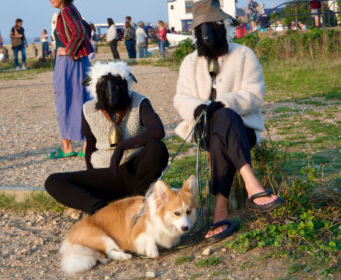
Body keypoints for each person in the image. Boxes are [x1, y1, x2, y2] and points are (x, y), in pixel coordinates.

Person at [173, 0, 283, 243]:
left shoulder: (244, 55)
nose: (207, 33)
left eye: (212, 26)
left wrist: (224, 103)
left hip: (243, 128)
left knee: (224, 116)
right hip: (204, 130)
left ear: (222, 26)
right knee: (219, 124)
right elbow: (181, 98)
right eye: (202, 29)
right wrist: (198, 108)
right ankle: (253, 186)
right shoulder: (189, 62)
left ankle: (219, 214)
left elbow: (254, 94)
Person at [45, 61, 169, 215]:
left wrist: (122, 148)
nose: (111, 91)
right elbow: (90, 146)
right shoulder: (88, 109)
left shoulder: (139, 102)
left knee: (157, 147)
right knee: (53, 181)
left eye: (117, 86)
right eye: (104, 87)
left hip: (136, 170)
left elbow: (158, 130)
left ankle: (138, 199)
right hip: (107, 172)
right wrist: (92, 176)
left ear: (125, 86)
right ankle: (101, 211)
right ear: (97, 90)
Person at [46, 0, 93, 159]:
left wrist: (68, 50)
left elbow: (79, 32)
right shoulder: (72, 9)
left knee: (63, 100)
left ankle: (67, 146)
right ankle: (86, 146)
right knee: (83, 99)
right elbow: (85, 28)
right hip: (79, 61)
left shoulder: (66, 11)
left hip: (69, 62)